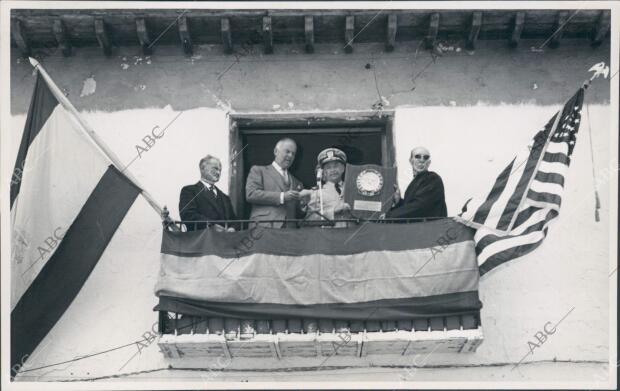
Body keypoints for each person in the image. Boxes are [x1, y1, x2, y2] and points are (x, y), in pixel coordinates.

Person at [245, 138, 304, 228]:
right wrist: (282, 196)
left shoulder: (297, 182)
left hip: (290, 233)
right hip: (263, 229)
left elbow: (298, 213)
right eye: (287, 151)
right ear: (276, 151)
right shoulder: (258, 170)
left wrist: (304, 207)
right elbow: (251, 194)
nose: (290, 156)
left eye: (293, 154)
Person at [385, 146, 447, 219]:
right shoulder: (415, 182)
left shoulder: (433, 178)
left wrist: (389, 216)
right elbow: (411, 206)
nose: (421, 160)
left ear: (429, 163)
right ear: (411, 160)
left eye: (425, 157)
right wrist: (399, 201)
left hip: (431, 228)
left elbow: (420, 206)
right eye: (418, 156)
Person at [179, 155, 238, 232]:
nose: (218, 172)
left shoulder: (225, 197)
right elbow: (188, 215)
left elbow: (234, 220)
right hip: (201, 241)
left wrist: (232, 228)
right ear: (202, 169)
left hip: (224, 241)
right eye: (215, 168)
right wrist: (211, 225)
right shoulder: (189, 191)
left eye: (220, 170)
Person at [300, 148, 351, 227]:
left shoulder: (353, 189)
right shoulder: (316, 192)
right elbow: (309, 221)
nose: (333, 170)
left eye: (336, 166)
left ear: (343, 168)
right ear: (323, 172)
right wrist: (333, 212)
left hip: (352, 235)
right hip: (328, 237)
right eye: (328, 167)